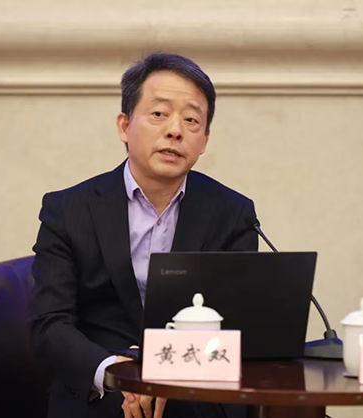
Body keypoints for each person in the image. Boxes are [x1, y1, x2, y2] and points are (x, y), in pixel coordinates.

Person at [30, 52, 258, 418]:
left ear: (204, 140)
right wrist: (118, 375)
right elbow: (49, 325)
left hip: (196, 393)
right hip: (100, 391)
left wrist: (165, 373)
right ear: (124, 125)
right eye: (159, 114)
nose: (175, 130)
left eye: (191, 120)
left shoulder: (233, 213)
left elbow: (238, 329)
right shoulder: (68, 210)